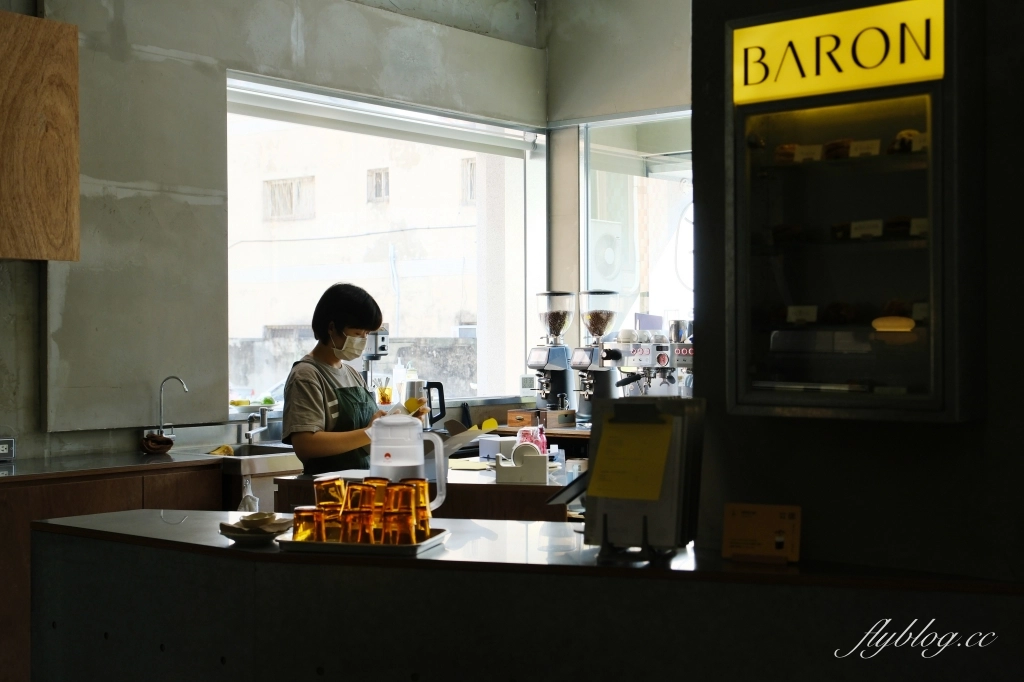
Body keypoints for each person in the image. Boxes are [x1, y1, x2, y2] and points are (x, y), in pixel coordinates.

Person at [282, 283, 425, 476]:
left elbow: (366, 445)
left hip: (364, 485)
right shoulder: (307, 375)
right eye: (358, 333)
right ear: (331, 327)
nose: (363, 340)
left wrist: (399, 425)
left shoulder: (353, 375)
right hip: (328, 491)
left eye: (366, 334)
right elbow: (306, 444)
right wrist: (370, 432)